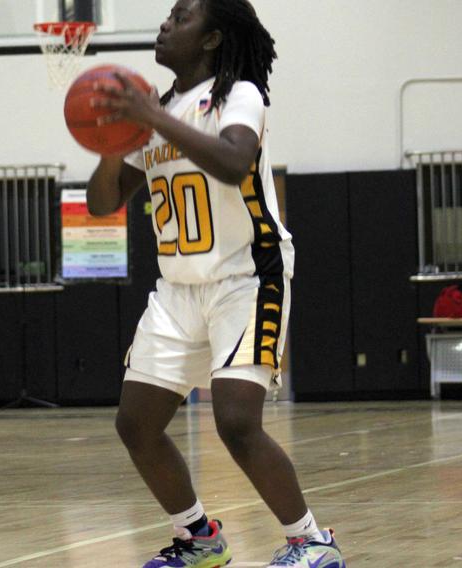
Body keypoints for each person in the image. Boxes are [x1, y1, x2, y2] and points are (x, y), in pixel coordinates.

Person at [86, 1, 344, 567]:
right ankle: (198, 538)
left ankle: (312, 543)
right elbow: (103, 202)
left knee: (235, 422)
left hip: (248, 276)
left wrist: (152, 120)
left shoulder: (240, 95)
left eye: (181, 17)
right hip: (178, 288)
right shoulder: (152, 114)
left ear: (212, 39)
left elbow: (232, 162)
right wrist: (111, 142)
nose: (165, 23)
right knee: (135, 423)